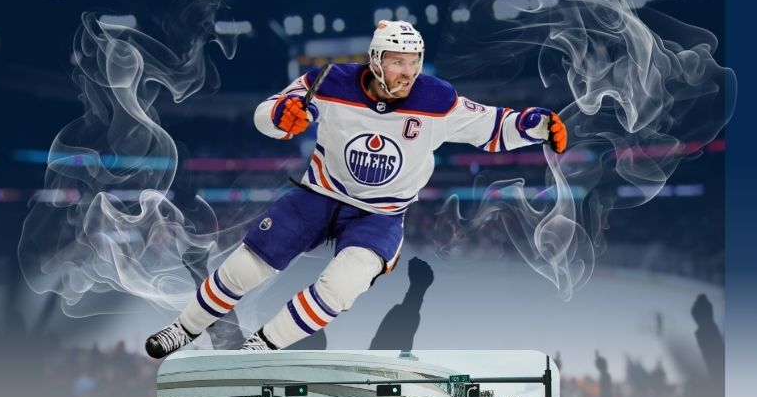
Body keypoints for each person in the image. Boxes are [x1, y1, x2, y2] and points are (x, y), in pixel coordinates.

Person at [145, 20, 567, 357]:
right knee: (244, 267)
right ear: (376, 60)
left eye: (414, 61)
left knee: (341, 287)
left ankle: (262, 345)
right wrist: (279, 117)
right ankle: (183, 328)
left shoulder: (437, 99)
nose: (407, 72)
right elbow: (267, 115)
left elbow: (492, 127)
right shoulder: (328, 80)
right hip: (318, 195)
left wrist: (535, 125)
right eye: (398, 61)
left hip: (380, 215)